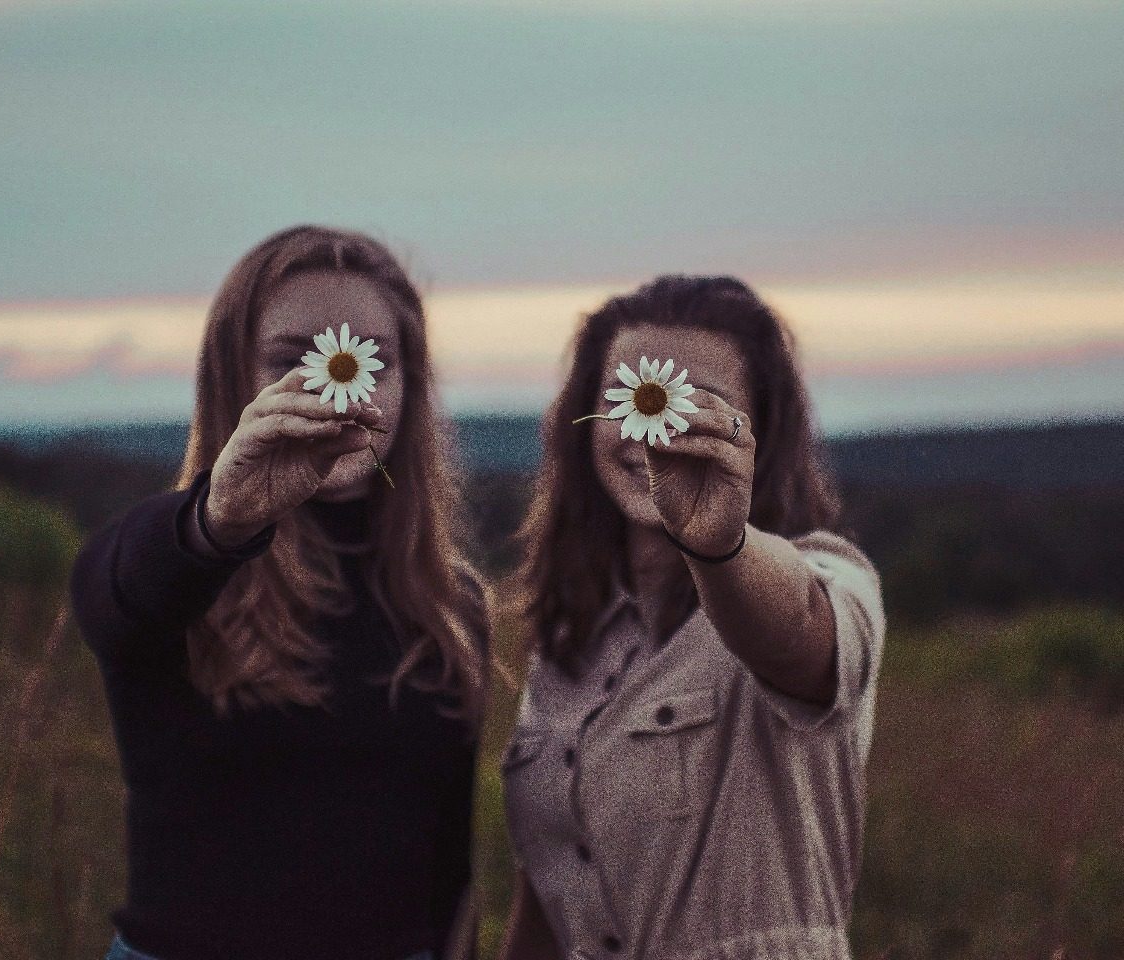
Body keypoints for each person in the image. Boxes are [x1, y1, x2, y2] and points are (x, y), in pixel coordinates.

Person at [69, 225, 489, 960]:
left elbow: (450, 867)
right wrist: (219, 520)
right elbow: (111, 595)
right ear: (231, 374)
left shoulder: (449, 602)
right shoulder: (180, 563)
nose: (332, 382)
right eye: (292, 357)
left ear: (408, 386)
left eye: (372, 359)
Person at [496, 276, 886, 960]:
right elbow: (550, 896)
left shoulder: (828, 577)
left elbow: (796, 633)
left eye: (700, 403)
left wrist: (719, 544)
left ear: (762, 429)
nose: (659, 427)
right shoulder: (568, 644)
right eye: (636, 396)